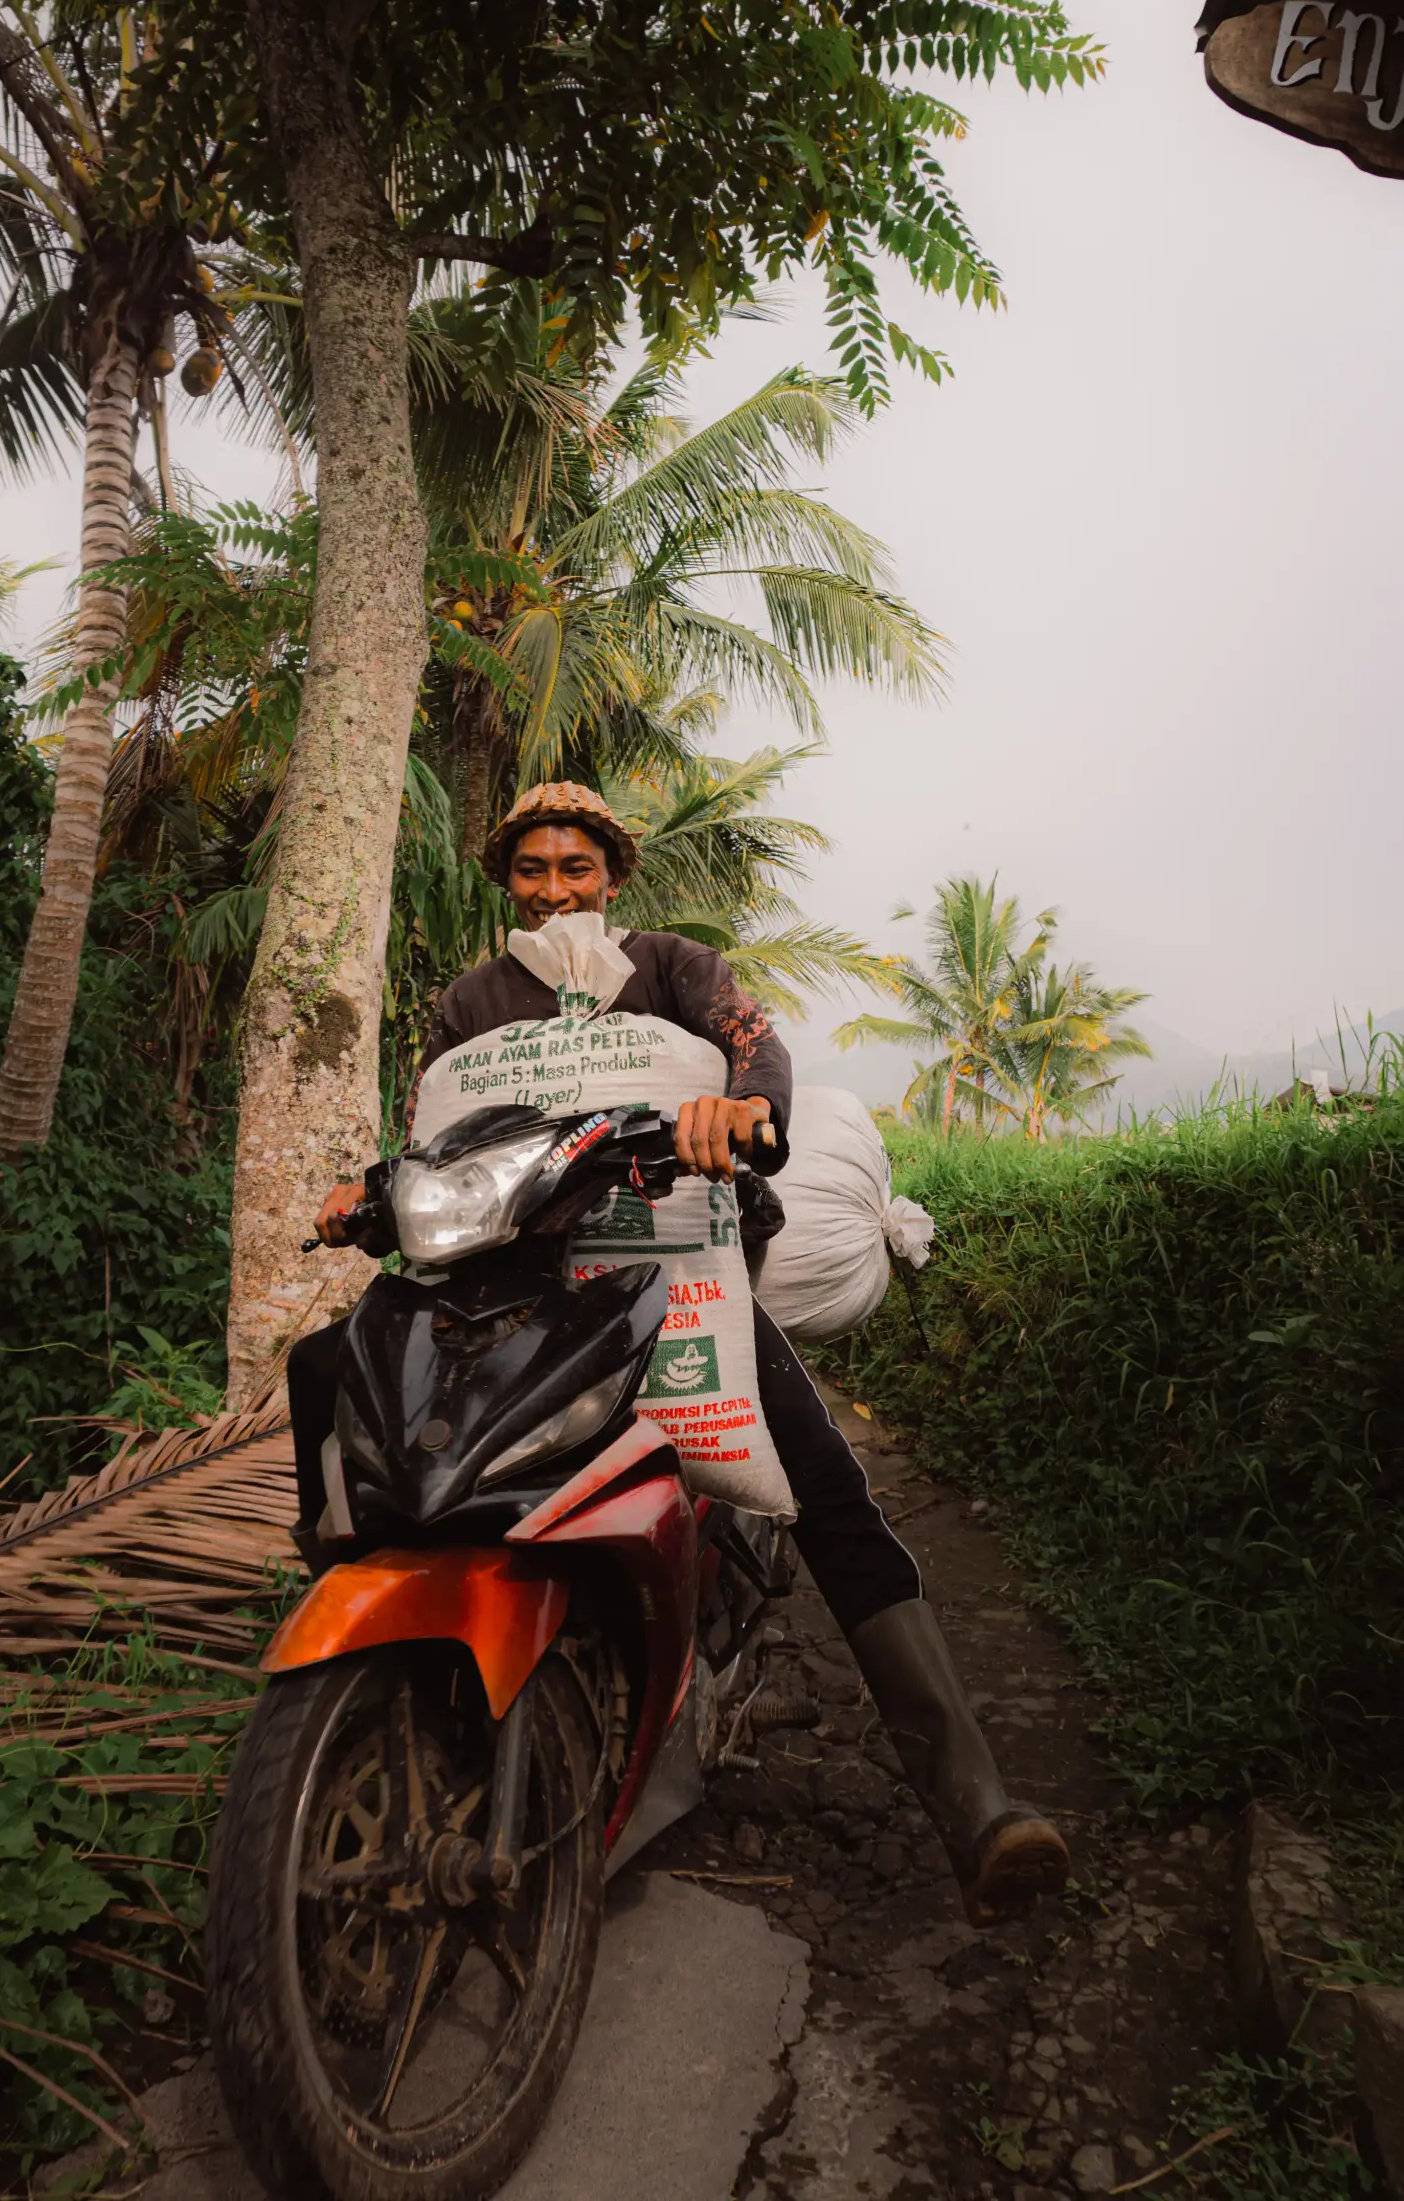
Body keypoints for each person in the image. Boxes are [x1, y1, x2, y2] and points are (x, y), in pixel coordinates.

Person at [295, 781, 1068, 1927]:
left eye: (575, 867)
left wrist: (736, 1112)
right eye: (531, 869)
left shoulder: (672, 968)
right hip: (505, 1279)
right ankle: (381, 1698)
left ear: (611, 877)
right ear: (505, 882)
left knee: (829, 1487)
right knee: (343, 1383)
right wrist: (368, 1188)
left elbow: (757, 1054)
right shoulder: (472, 1001)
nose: (554, 887)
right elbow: (435, 1130)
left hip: (671, 1266)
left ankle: (974, 1803)